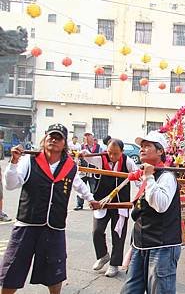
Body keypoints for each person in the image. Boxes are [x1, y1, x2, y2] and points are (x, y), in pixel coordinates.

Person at [0, 123, 100, 294]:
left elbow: (79, 185)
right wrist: (14, 164)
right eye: (51, 136)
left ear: (64, 143)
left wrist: (91, 199)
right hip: (27, 224)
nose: (54, 139)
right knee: (13, 268)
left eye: (58, 137)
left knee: (55, 270)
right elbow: (11, 185)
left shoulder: (69, 165)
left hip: (54, 226)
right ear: (45, 139)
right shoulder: (29, 161)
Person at [121, 130, 181, 294]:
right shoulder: (148, 175)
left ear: (160, 151)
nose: (142, 149)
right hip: (141, 243)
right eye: (141, 146)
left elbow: (160, 205)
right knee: (130, 290)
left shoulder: (166, 176)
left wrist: (148, 178)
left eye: (147, 146)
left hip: (162, 245)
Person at [81, 139, 139, 277]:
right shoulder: (102, 158)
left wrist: (141, 192)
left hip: (120, 203)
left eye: (115, 154)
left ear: (122, 152)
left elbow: (137, 178)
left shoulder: (128, 161)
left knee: (118, 234)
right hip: (102, 201)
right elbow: (88, 157)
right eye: (110, 153)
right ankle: (103, 255)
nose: (112, 156)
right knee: (97, 231)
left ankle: (114, 264)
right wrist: (83, 153)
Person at [74, 130, 101, 211]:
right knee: (80, 187)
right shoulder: (81, 146)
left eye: (89, 135)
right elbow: (76, 157)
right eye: (86, 136)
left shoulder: (98, 147)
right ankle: (79, 204)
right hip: (83, 170)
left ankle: (94, 203)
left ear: (92, 137)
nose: (87, 137)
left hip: (93, 171)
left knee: (93, 188)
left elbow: (101, 158)